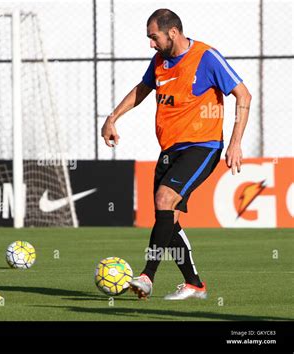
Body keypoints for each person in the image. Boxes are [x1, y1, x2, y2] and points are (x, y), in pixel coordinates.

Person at [101, 9, 251, 300]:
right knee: (167, 216)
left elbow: (243, 95)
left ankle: (147, 276)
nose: (151, 44)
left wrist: (235, 143)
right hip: (170, 150)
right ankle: (194, 284)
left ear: (172, 33)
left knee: (164, 200)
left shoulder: (206, 57)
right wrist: (112, 118)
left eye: (153, 37)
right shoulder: (159, 62)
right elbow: (143, 88)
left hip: (203, 146)